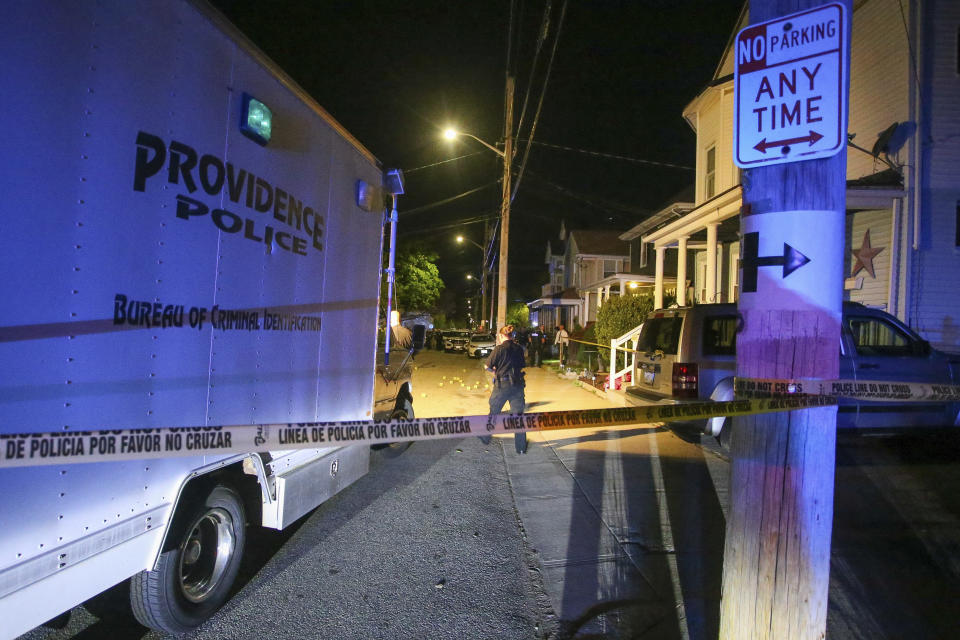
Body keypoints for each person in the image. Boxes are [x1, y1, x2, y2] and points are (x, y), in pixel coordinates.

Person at [480, 324, 528, 454]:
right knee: (518, 416)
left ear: (501, 336)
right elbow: (522, 365)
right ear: (511, 336)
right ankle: (521, 447)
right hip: (517, 385)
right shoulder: (519, 349)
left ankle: (485, 437)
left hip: (503, 385)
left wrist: (495, 371)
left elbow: (487, 366)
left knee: (494, 411)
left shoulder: (499, 349)